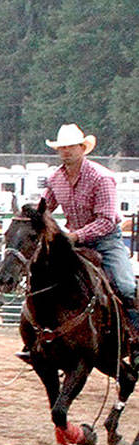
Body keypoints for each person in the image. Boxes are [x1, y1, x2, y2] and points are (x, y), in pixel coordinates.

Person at [40, 123, 139, 330]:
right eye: (62, 147)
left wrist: (74, 236)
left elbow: (106, 221)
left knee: (126, 287)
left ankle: (135, 339)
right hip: (72, 243)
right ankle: (39, 336)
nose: (66, 151)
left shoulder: (101, 178)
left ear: (82, 148)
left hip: (106, 242)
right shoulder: (55, 179)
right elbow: (44, 209)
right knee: (44, 282)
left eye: (71, 146)